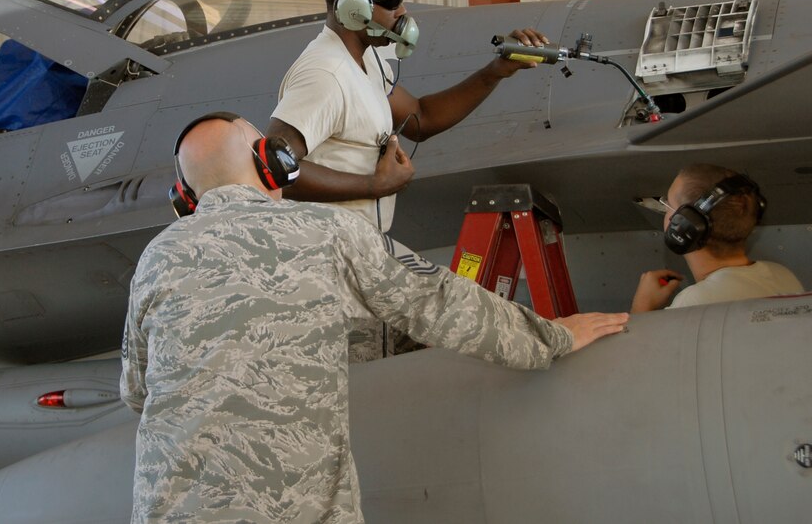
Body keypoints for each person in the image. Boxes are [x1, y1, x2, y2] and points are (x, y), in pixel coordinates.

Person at [120, 112, 628, 523]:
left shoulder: (156, 258)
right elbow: (439, 304)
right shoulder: (329, 230)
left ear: (186, 199)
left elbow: (139, 393)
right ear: (271, 164)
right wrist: (553, 338)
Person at [266, 0, 550, 359]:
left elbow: (420, 118)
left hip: (362, 255)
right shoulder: (324, 74)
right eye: (392, 1)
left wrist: (496, 72)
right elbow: (273, 167)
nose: (402, 12)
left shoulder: (368, 58)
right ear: (352, 8)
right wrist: (372, 185)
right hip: (328, 272)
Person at [631, 164, 805, 312]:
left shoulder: (695, 302)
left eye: (667, 204)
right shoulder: (782, 275)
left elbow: (643, 351)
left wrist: (642, 307)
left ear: (684, 226)